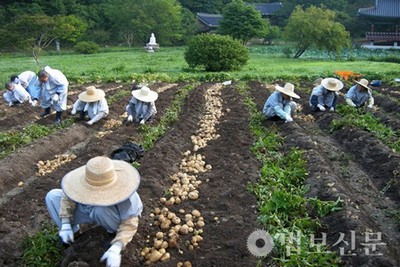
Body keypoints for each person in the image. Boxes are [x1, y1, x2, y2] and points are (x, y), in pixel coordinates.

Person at [45, 156, 143, 267]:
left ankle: (112, 233)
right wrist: (65, 223)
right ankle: (73, 234)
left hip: (109, 214)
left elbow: (130, 223)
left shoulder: (126, 193)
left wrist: (117, 246)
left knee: (100, 210)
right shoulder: (82, 181)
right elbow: (67, 197)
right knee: (52, 196)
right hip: (86, 208)